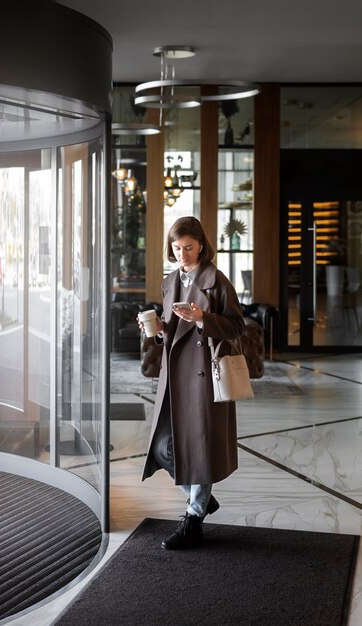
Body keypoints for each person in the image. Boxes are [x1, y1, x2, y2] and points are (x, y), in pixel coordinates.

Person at [137, 216, 245, 550]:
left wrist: (203, 319)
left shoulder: (218, 281)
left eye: (188, 247)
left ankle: (194, 518)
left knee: (199, 448)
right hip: (175, 377)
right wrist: (156, 333)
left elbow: (237, 327)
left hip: (203, 377)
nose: (182, 253)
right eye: (176, 247)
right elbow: (172, 332)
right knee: (162, 445)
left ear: (201, 245)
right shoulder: (170, 282)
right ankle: (202, 496)